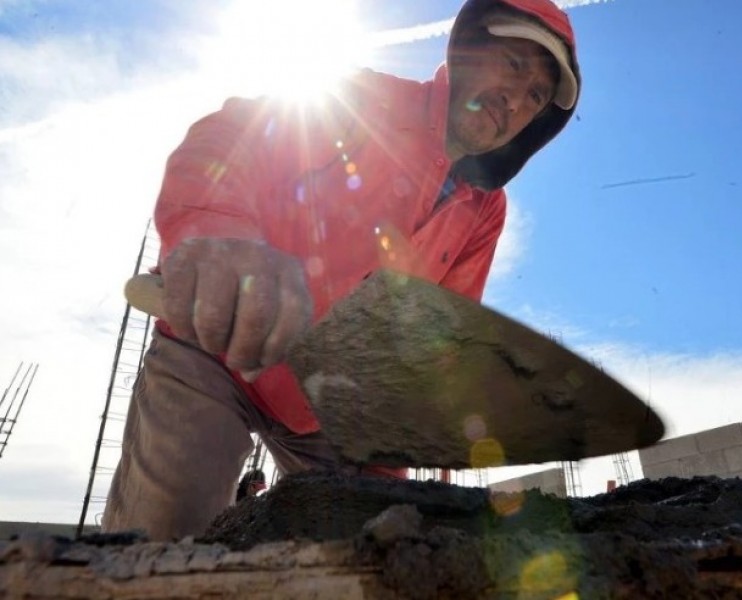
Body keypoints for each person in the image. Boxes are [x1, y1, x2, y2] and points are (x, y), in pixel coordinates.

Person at [102, 0, 581, 541]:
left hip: (327, 410)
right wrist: (218, 234)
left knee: (388, 544)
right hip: (213, 351)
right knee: (162, 542)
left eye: (537, 96)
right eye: (515, 65)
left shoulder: (484, 211)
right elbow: (228, 138)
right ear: (468, 44)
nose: (516, 100)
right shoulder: (362, 100)